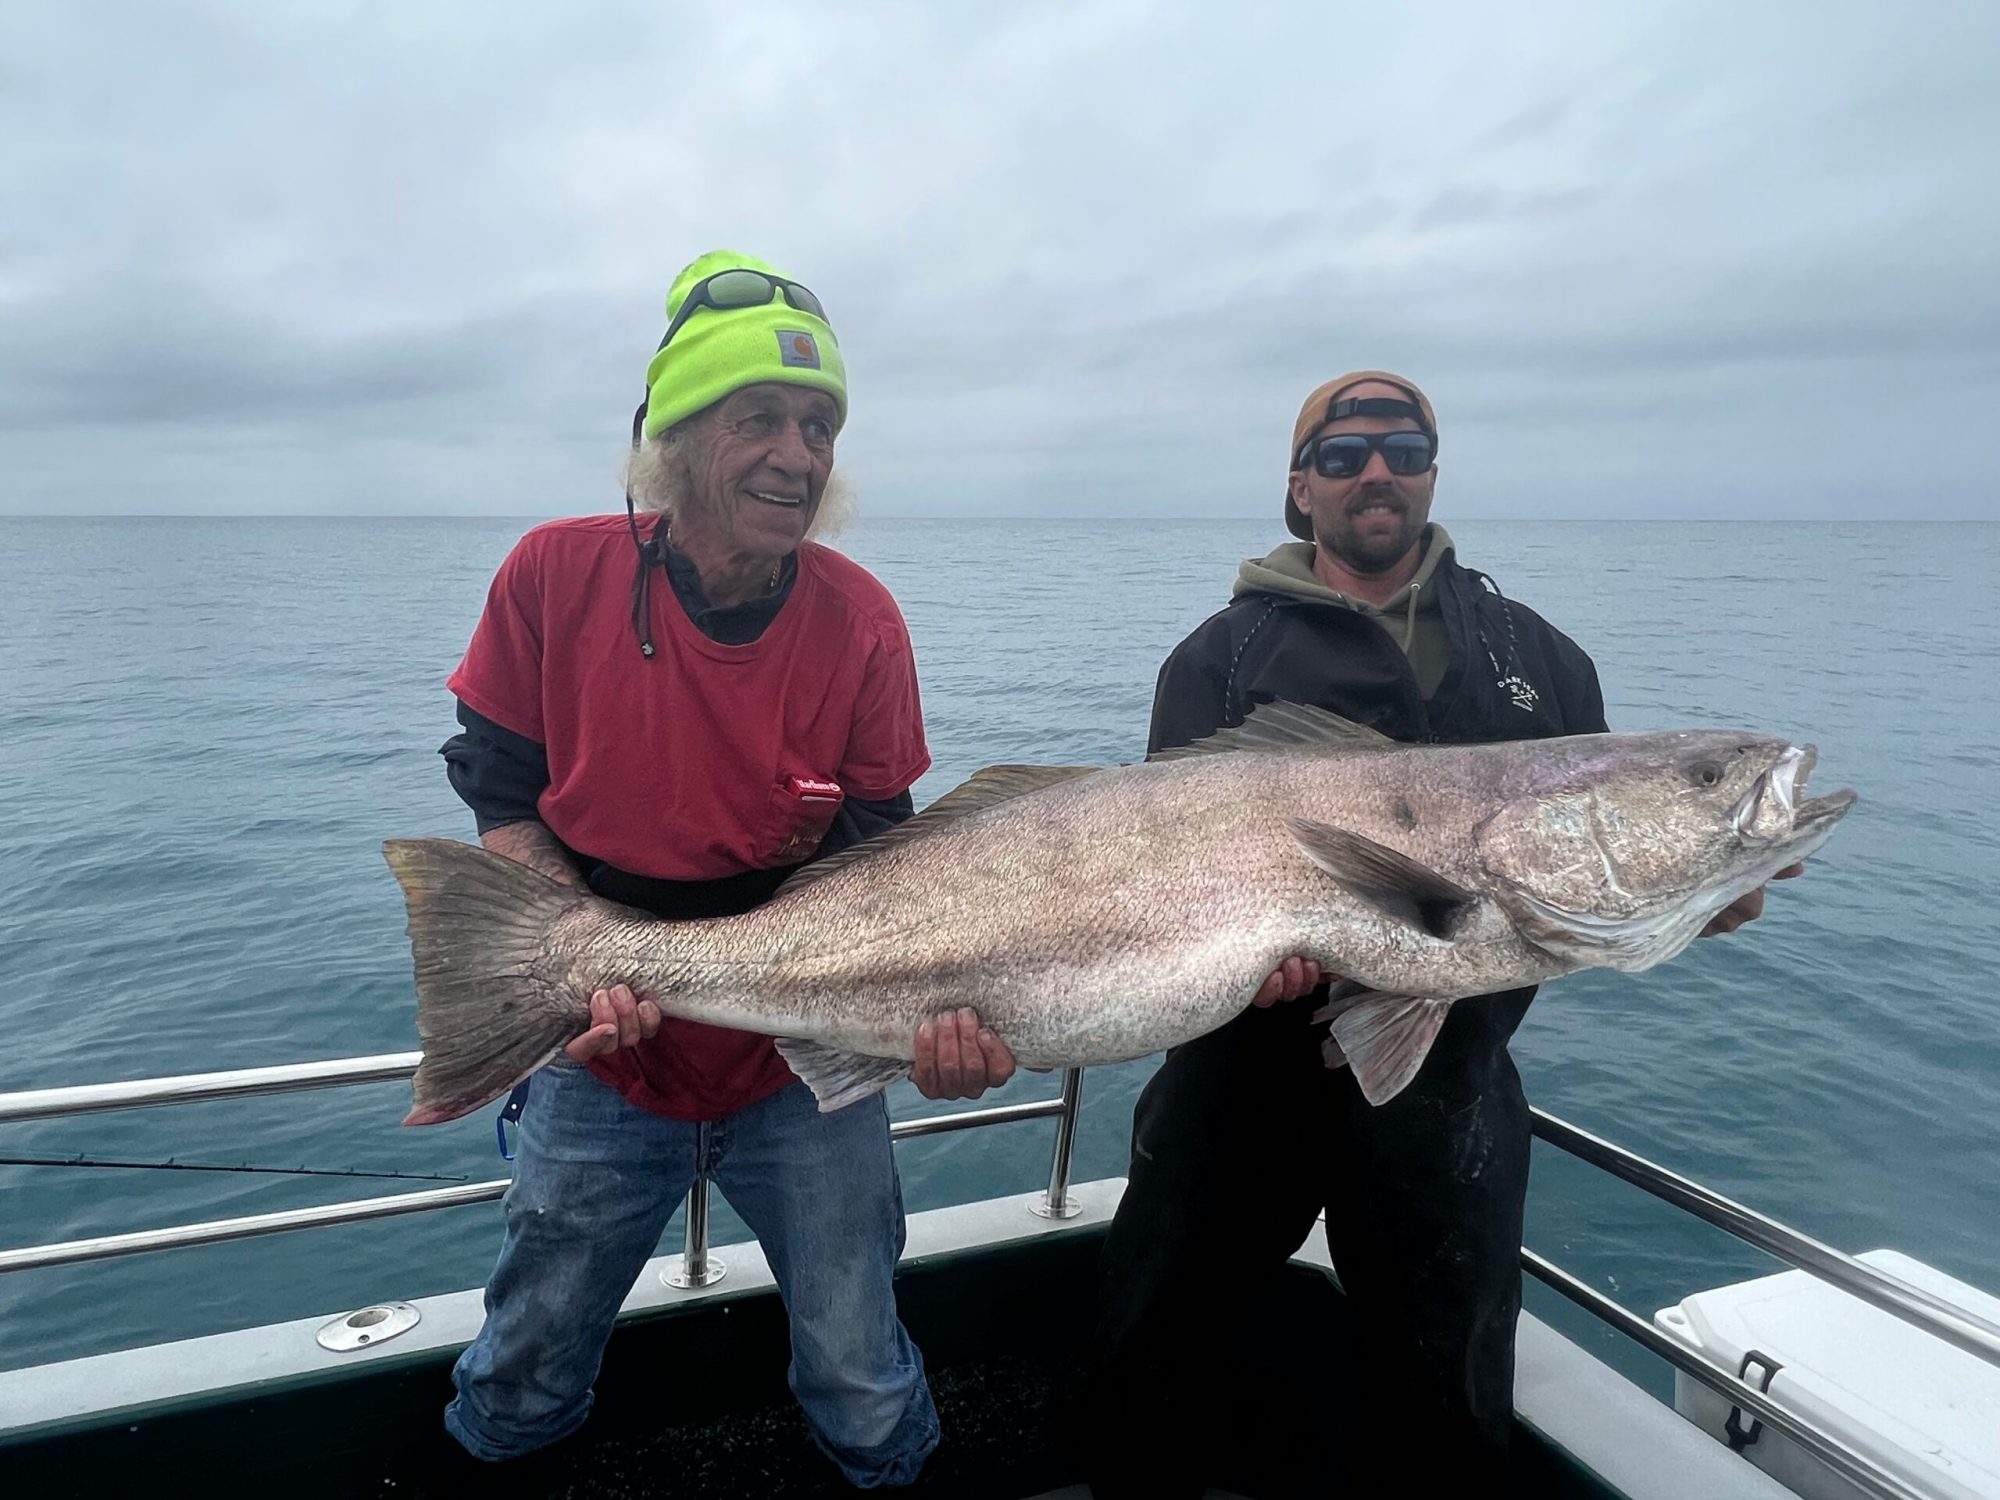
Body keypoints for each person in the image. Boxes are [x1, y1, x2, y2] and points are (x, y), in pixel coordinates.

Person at [1084, 371, 1799, 1494]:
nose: (1376, 471)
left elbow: (1589, 869)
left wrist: (1692, 896)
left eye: (1404, 449)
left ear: (1431, 472)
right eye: (1343, 454)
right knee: (1152, 1354)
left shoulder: (1540, 660)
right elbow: (1167, 871)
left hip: (1448, 1098)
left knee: (1447, 1410)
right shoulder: (1215, 661)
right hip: (1233, 1088)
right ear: (1299, 488)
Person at [432, 251, 1012, 1486]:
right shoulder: (552, 574)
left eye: (818, 426)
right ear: (676, 437)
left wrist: (933, 1017)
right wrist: (571, 959)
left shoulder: (862, 622)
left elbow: (885, 859)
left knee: (859, 1359)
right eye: (759, 419)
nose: (797, 455)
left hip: (800, 1063)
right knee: (528, 1349)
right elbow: (498, 784)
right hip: (600, 1048)